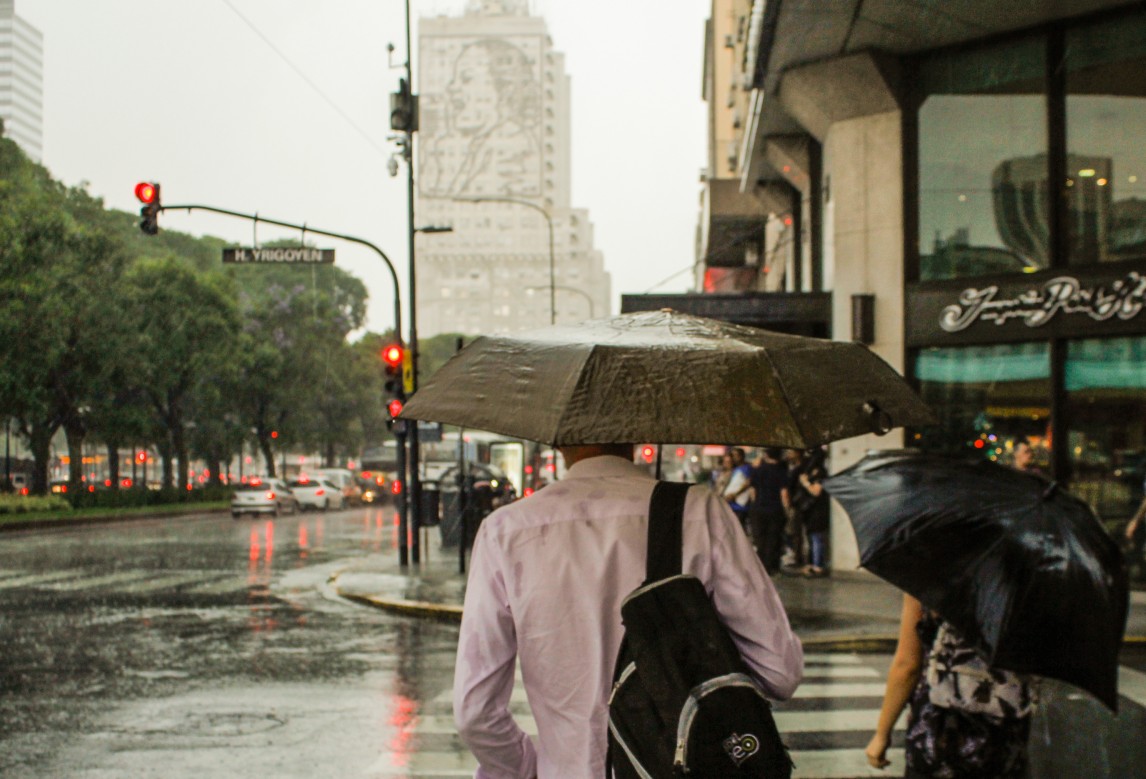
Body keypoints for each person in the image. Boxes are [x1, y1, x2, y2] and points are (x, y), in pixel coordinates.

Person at [453, 443, 804, 779]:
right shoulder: (698, 512)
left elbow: (476, 713)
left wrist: (525, 767)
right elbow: (779, 671)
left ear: (557, 441)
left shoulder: (506, 530)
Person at [865, 595, 1034, 778]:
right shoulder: (1026, 588)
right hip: (1003, 734)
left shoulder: (929, 580)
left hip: (937, 730)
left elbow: (907, 666)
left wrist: (882, 734)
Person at [747, 447, 790, 574]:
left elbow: (753, 491)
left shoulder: (757, 471)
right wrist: (787, 509)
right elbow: (784, 493)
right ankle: (770, 567)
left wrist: (755, 505)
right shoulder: (781, 471)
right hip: (775, 509)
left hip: (758, 508)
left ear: (766, 455)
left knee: (760, 539)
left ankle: (761, 566)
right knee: (773, 538)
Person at [796, 448, 830, 577]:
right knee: (812, 538)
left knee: (817, 538)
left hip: (817, 511)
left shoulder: (820, 473)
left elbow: (816, 491)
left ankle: (818, 565)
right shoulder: (810, 472)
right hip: (810, 511)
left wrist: (805, 483)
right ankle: (811, 563)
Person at [723, 446, 754, 532]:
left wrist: (735, 494)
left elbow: (748, 482)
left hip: (740, 505)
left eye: (735, 455)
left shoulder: (747, 468)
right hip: (732, 505)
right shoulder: (736, 469)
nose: (734, 458)